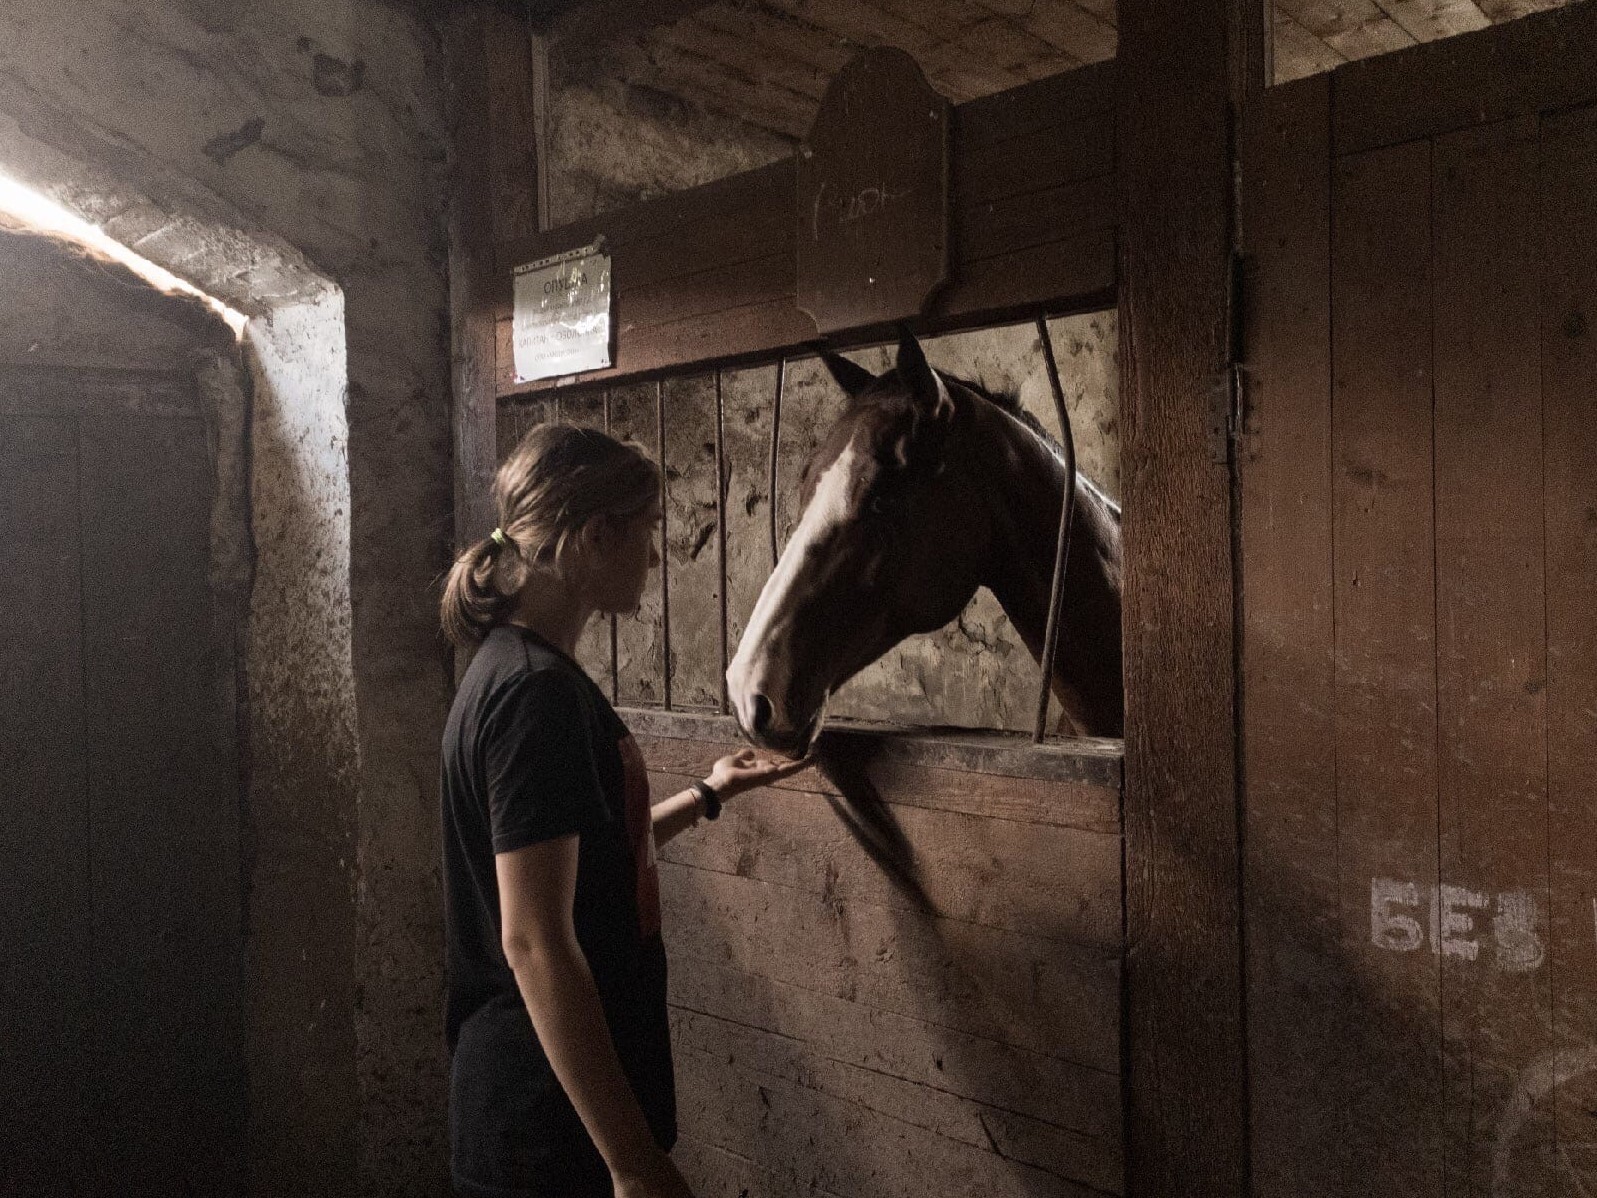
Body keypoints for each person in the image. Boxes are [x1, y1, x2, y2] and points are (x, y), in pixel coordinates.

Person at [439, 424, 813, 1198]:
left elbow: (586, 859)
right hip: (548, 1124)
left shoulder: (515, 672)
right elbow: (535, 939)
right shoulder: (534, 697)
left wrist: (708, 794)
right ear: (594, 538)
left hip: (540, 1108)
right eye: (645, 532)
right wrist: (631, 1161)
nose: (653, 556)